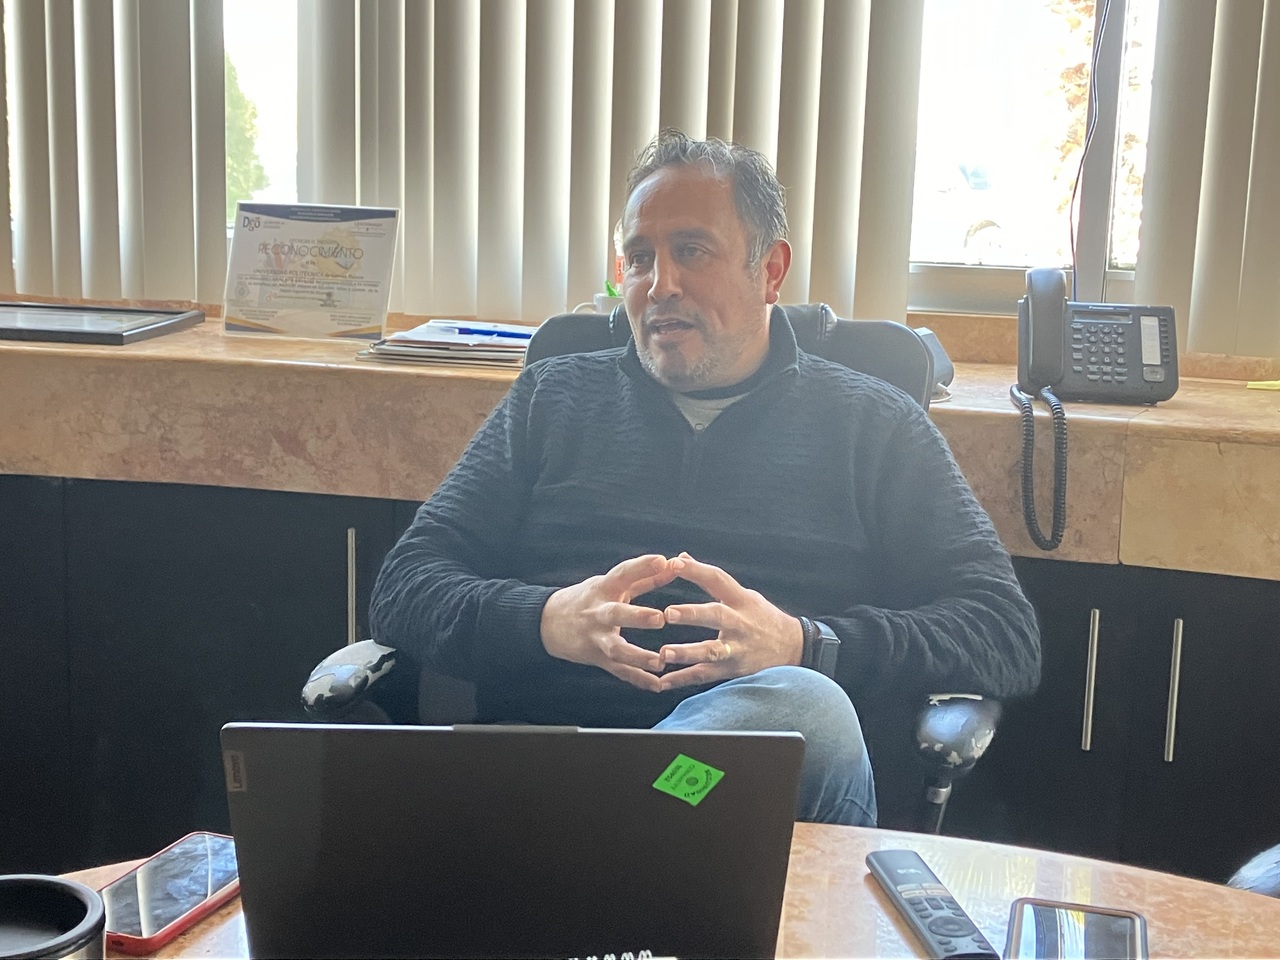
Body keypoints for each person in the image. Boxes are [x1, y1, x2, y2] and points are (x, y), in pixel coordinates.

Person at [370, 130, 1040, 827]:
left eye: (691, 251)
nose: (661, 285)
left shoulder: (875, 426)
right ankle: (620, 836)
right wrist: (546, 621)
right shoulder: (550, 400)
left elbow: (1002, 632)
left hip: (754, 808)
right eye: (639, 258)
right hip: (555, 770)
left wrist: (806, 645)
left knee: (801, 707)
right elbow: (403, 587)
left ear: (770, 271)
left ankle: (624, 821)